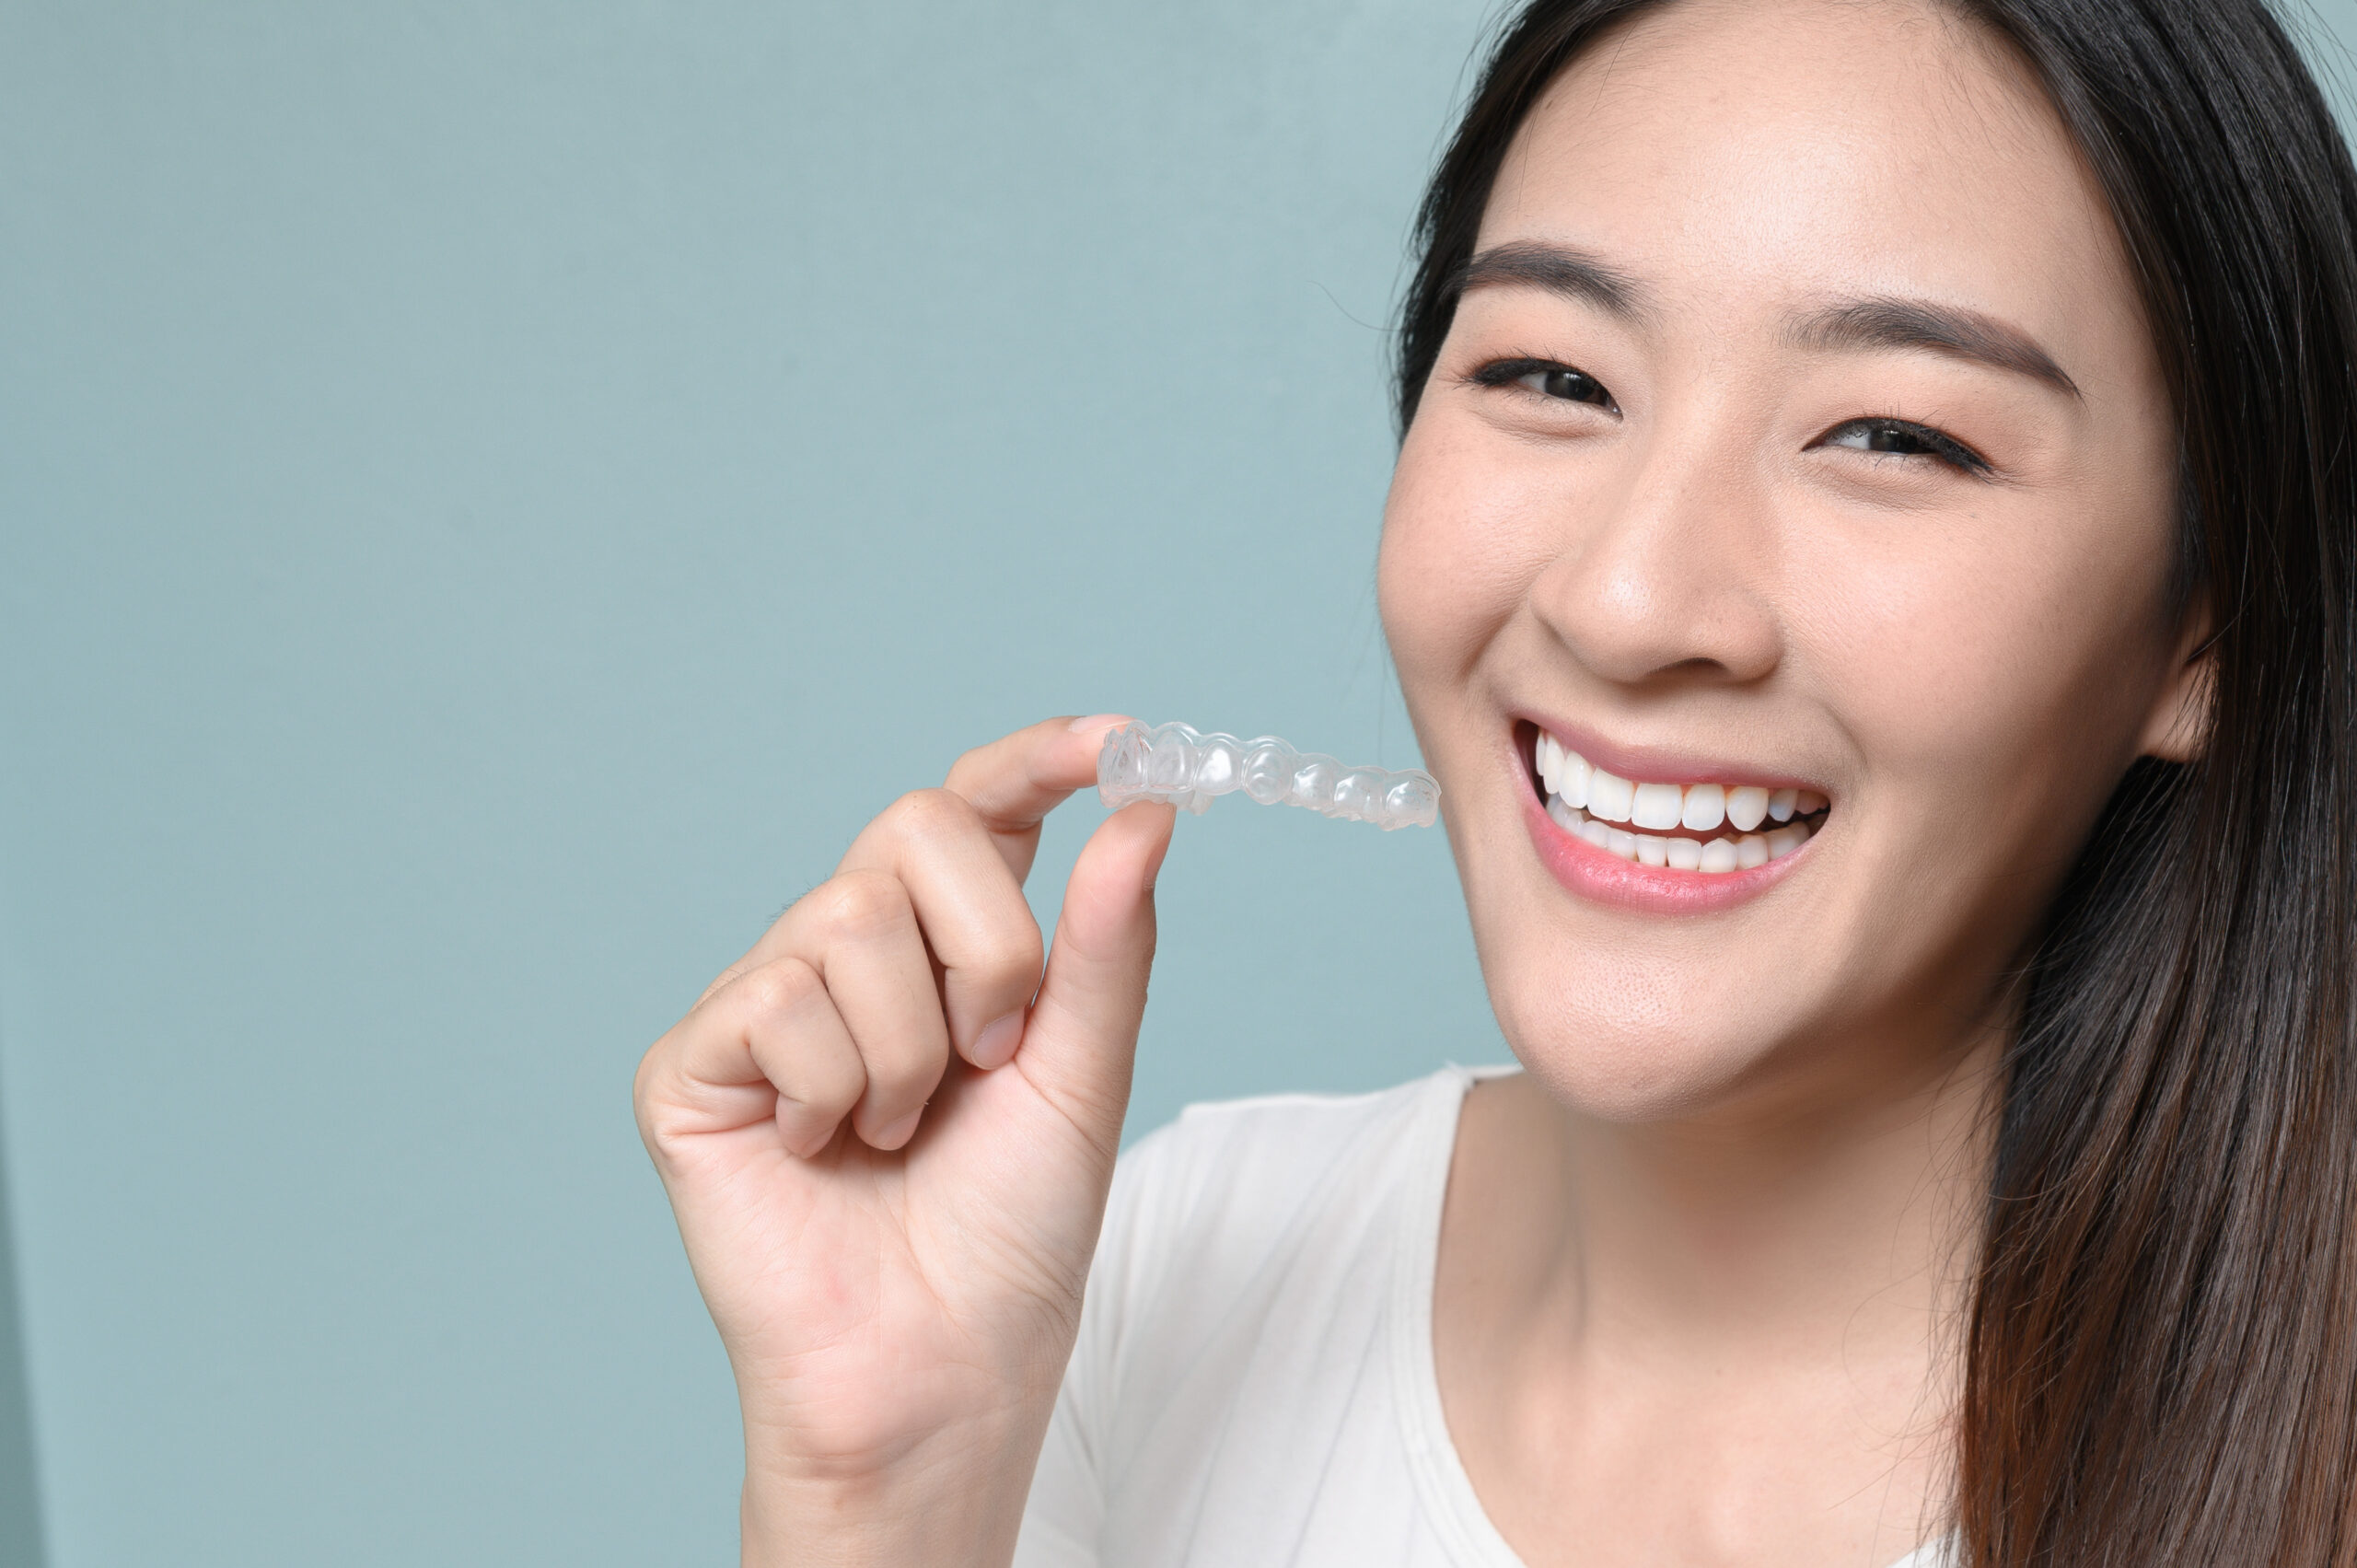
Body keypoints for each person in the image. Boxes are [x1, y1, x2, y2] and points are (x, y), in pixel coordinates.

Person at [633, 0, 2357, 1562]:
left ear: (2207, 630)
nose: (1624, 602)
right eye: (1551, 374)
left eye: (1893, 435)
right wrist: (886, 1497)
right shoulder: (1163, 1269)